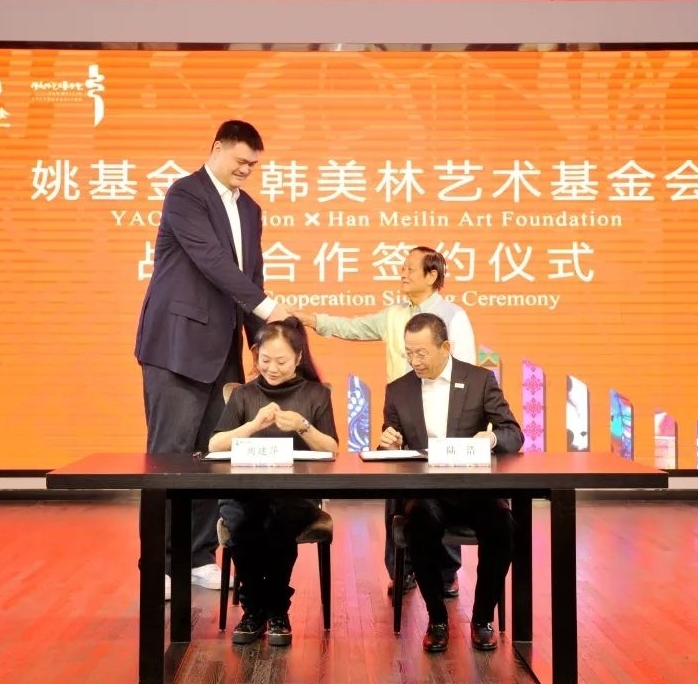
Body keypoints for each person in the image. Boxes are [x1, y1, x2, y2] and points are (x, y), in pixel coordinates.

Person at [134, 120, 289, 600]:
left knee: (215, 454)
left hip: (221, 351)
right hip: (177, 347)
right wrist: (267, 306)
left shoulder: (250, 209)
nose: (246, 170)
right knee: (170, 456)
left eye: (253, 165)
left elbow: (250, 276)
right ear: (217, 148)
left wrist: (265, 342)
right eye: (240, 160)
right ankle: (159, 564)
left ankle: (198, 555)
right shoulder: (186, 194)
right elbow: (212, 262)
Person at [292, 246, 474, 598]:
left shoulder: (454, 316)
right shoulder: (394, 314)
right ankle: (401, 570)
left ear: (432, 275)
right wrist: (312, 319)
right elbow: (354, 327)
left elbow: (467, 371)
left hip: (444, 420)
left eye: (409, 269)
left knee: (445, 493)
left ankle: (446, 573)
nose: (401, 273)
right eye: (401, 267)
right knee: (396, 494)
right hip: (402, 417)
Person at [378, 313, 522, 653]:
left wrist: (490, 439)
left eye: (421, 353)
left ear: (445, 347)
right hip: (427, 493)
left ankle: (482, 617)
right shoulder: (398, 390)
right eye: (408, 353)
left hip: (475, 490)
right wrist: (388, 441)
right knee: (418, 522)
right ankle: (437, 618)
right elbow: (392, 444)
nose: (414, 361)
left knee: (503, 526)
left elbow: (513, 434)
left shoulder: (479, 380)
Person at [209, 318, 339, 646]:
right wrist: (252, 426)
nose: (272, 368)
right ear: (256, 355)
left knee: (280, 519)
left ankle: (275, 610)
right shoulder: (244, 394)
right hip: (244, 492)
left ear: (298, 357)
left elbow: (332, 449)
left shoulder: (315, 394)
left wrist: (303, 426)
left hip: (296, 493)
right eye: (265, 360)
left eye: (281, 361)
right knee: (242, 519)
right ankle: (255, 610)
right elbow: (215, 444)